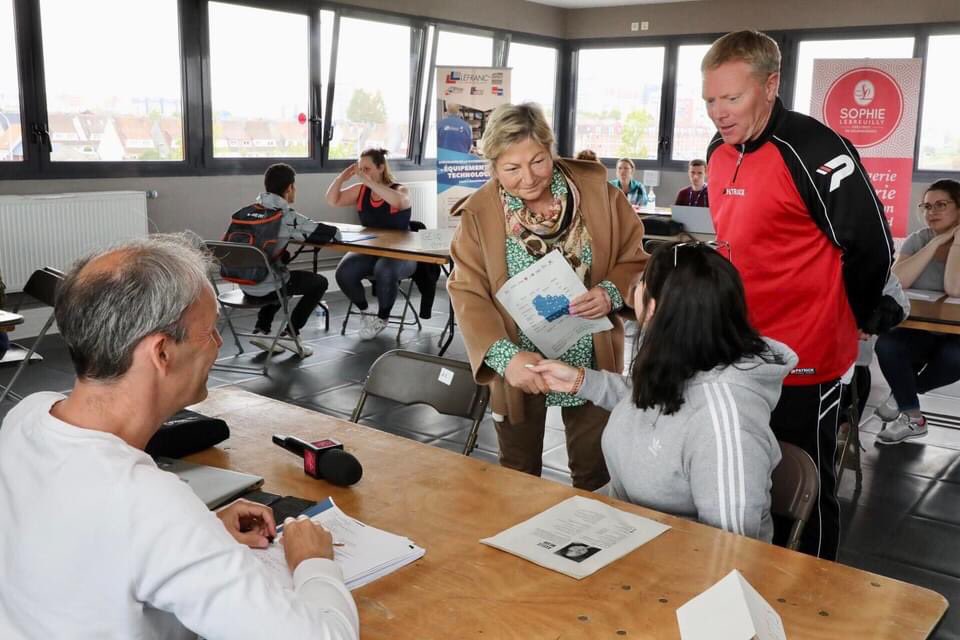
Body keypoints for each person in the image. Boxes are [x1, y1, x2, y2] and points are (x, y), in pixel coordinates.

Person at [0, 235, 359, 639]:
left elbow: (72, 533)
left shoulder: (27, 415)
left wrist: (199, 531)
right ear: (162, 353)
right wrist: (314, 563)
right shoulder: (148, 502)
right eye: (211, 333)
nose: (219, 347)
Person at [702, 30, 898, 559]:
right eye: (711, 100)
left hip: (805, 354)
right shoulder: (718, 152)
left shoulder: (814, 150)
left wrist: (856, 313)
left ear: (770, 85)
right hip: (738, 350)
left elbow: (872, 246)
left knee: (805, 481)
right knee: (744, 470)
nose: (719, 112)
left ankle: (814, 588)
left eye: (732, 98)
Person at [532, 242, 793, 542]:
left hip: (673, 566)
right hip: (626, 535)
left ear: (654, 309)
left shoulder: (724, 422)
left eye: (642, 281)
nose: (635, 287)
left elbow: (730, 548)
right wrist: (581, 381)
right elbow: (665, 404)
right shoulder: (688, 360)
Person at [448, 102, 647, 491]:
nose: (528, 178)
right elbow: (467, 291)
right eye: (511, 169)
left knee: (595, 471)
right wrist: (505, 358)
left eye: (538, 161)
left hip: (591, 351)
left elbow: (636, 259)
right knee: (518, 474)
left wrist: (610, 292)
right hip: (521, 360)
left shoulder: (598, 195)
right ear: (492, 166)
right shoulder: (480, 212)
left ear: (551, 149)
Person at [874, 179, 960, 445]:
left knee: (955, 356)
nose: (931, 212)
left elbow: (954, 287)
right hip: (919, 329)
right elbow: (897, 280)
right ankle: (912, 417)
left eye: (941, 205)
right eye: (927, 206)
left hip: (955, 334)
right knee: (887, 345)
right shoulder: (919, 238)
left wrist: (957, 243)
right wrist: (935, 244)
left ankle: (901, 394)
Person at [237, 163, 330, 357]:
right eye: (294, 187)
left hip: (245, 283)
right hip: (266, 286)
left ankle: (262, 330)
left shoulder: (245, 212)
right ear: (289, 188)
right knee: (319, 283)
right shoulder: (286, 216)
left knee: (281, 273)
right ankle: (291, 334)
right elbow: (330, 235)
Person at [327, 148, 415, 340]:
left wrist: (368, 181)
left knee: (384, 269)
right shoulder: (362, 191)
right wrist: (341, 178)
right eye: (360, 169)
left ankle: (382, 318)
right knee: (344, 272)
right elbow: (333, 200)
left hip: (401, 253)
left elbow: (400, 202)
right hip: (371, 249)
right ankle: (366, 313)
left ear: (381, 167)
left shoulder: (400, 189)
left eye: (367, 168)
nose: (362, 173)